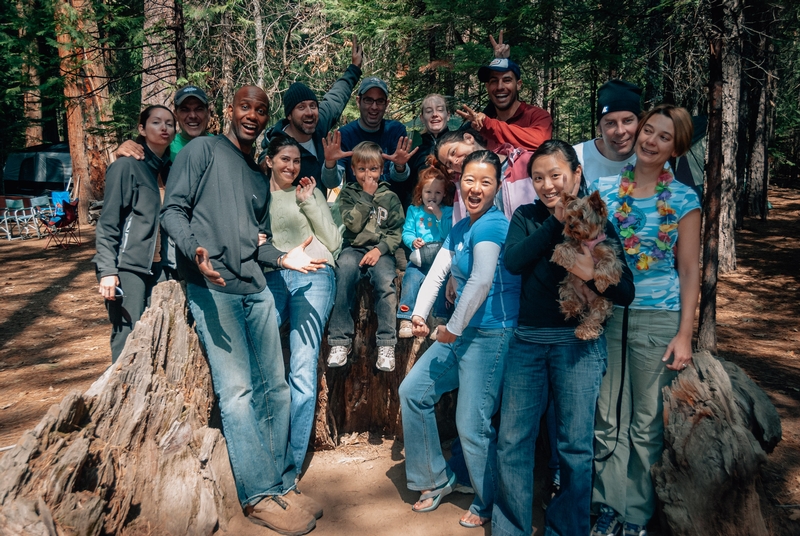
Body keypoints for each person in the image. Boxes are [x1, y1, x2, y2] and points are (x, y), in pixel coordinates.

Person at [161, 85, 326, 536]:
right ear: (229, 111)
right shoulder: (202, 150)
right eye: (244, 107)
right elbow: (172, 210)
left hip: (255, 287)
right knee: (238, 394)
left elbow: (254, 238)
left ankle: (279, 485)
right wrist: (194, 250)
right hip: (214, 291)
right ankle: (257, 496)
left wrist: (281, 257)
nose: (251, 115)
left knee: (274, 387)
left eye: (260, 110)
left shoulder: (257, 175)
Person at [491, 140, 634, 536]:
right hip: (528, 342)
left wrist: (590, 275)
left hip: (578, 345)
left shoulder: (598, 221)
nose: (547, 184)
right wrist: (558, 220)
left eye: (556, 175)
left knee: (575, 447)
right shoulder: (525, 216)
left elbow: (625, 292)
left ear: (576, 174)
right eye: (538, 177)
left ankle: (566, 528)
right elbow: (514, 262)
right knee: (514, 441)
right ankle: (510, 528)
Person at [590, 104, 700, 536]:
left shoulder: (684, 199)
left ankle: (635, 513)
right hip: (608, 314)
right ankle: (605, 506)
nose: (650, 141)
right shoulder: (604, 189)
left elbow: (689, 270)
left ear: (677, 147)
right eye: (648, 130)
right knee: (605, 418)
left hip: (658, 319)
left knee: (645, 423)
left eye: (663, 137)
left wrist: (685, 333)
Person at [399, 150, 521, 529]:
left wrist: (451, 329)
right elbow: (437, 274)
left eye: (485, 182)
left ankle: (488, 501)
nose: (476, 188)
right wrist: (419, 313)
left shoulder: (494, 226)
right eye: (470, 180)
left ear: (497, 187)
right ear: (459, 183)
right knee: (413, 391)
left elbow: (483, 280)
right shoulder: (461, 226)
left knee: (472, 423)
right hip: (462, 332)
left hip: (492, 333)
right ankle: (436, 479)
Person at [261, 135, 342, 474]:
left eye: (296, 161)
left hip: (315, 274)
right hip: (275, 274)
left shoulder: (310, 192)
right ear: (269, 161)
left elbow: (334, 241)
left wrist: (309, 202)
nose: (292, 167)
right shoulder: (258, 194)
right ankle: (264, 452)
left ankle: (290, 463)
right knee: (261, 355)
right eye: (284, 160)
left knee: (303, 365)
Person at [94, 105, 176, 363]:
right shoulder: (126, 166)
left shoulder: (168, 170)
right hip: (128, 266)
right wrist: (107, 271)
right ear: (141, 129)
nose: (164, 128)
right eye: (156, 122)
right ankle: (118, 394)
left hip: (160, 266)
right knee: (127, 337)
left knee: (160, 332)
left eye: (170, 124)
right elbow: (108, 223)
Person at [326, 141, 405, 372]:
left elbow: (396, 232)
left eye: (372, 169)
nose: (367, 174)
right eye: (361, 169)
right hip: (354, 247)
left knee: (385, 283)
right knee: (344, 273)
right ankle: (340, 341)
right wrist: (366, 197)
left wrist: (380, 249)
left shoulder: (390, 197)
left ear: (381, 170)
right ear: (352, 170)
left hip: (380, 251)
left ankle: (386, 343)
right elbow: (351, 224)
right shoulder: (348, 194)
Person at [258, 39, 364, 196]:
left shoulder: (319, 124)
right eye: (301, 107)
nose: (309, 112)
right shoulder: (277, 148)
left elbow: (336, 96)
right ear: (289, 115)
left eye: (313, 106)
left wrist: (354, 68)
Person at [320, 77, 417, 197]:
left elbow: (399, 177)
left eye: (380, 101)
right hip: (356, 207)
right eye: (368, 100)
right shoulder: (344, 135)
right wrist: (330, 163)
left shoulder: (395, 130)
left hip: (391, 207)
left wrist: (400, 166)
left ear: (386, 104)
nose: (374, 107)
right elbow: (331, 183)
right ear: (358, 101)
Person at [456, 38, 552, 153]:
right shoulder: (480, 126)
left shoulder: (537, 116)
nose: (500, 87)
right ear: (487, 87)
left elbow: (540, 142)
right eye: (494, 81)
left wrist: (488, 125)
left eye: (507, 80)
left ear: (518, 84)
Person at [397, 156, 454, 338]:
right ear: (420, 192)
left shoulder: (447, 212)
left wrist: (438, 215)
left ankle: (439, 320)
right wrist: (413, 241)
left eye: (438, 193)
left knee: (442, 284)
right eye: (428, 192)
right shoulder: (414, 210)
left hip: (440, 257)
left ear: (444, 194)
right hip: (419, 256)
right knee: (411, 279)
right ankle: (406, 317)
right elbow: (406, 232)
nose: (432, 197)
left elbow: (448, 234)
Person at [435, 129, 535, 223]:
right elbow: (459, 227)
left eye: (453, 152)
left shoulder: (526, 162)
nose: (455, 161)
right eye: (449, 164)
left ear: (469, 138)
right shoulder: (461, 187)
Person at [117, 85, 212, 162]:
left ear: (208, 113)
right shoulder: (165, 145)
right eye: (185, 110)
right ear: (176, 115)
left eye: (199, 109)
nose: (192, 116)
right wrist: (125, 150)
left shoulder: (222, 146)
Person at [574, 80, 642, 184]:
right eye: (610, 123)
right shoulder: (575, 158)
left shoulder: (652, 160)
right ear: (599, 128)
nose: (620, 131)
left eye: (627, 121)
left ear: (640, 123)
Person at [405, 94, 453, 207]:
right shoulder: (414, 145)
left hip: (451, 211)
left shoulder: (457, 143)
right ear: (422, 118)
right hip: (421, 213)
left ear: (448, 115)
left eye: (440, 110)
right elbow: (406, 186)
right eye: (428, 111)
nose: (435, 115)